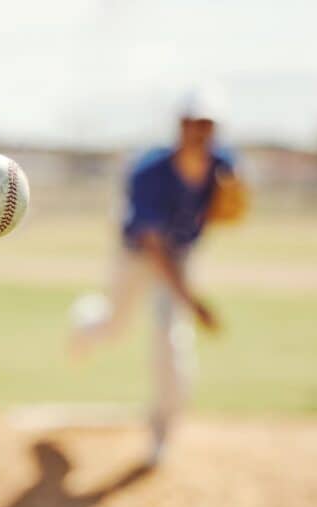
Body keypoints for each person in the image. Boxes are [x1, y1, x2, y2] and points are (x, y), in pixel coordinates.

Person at [70, 89, 247, 466]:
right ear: (178, 126)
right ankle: (82, 324)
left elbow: (227, 209)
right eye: (191, 122)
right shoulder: (149, 169)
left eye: (207, 124)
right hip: (137, 254)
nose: (199, 131)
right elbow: (153, 245)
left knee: (170, 339)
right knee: (113, 326)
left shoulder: (224, 165)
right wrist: (192, 300)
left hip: (180, 254)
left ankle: (161, 433)